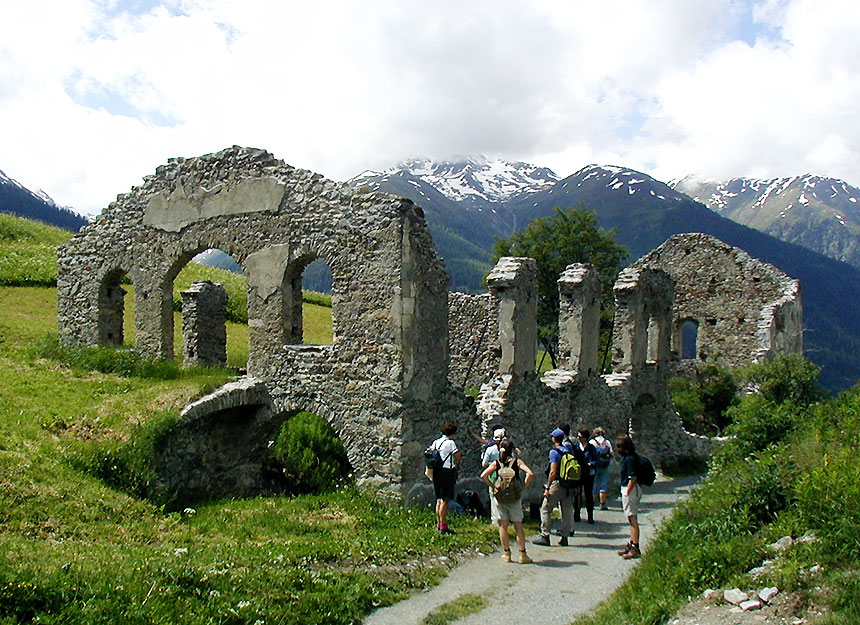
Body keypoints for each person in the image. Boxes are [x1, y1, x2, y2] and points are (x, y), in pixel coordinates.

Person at [481, 439, 534, 564]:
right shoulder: (517, 462)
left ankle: (507, 554)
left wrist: (494, 486)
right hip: (514, 497)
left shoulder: (497, 463)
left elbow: (483, 475)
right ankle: (522, 554)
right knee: (518, 525)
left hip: (500, 497)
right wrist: (523, 487)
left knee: (503, 526)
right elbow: (530, 474)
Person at [532, 428, 575, 546]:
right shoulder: (568, 450)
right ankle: (565, 537)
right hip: (568, 483)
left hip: (557, 484)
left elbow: (553, 471)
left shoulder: (554, 452)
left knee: (545, 508)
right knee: (566, 511)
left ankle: (545, 535)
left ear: (554, 438)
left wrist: (547, 488)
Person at [429, 422, 462, 534]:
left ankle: (439, 523)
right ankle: (444, 526)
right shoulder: (450, 443)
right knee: (445, 500)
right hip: (447, 472)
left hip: (436, 471)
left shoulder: (436, 442)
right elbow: (457, 457)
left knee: (439, 499)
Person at [616, 434, 642, 559]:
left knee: (633, 520)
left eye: (619, 446)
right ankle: (632, 543)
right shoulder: (629, 457)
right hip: (629, 489)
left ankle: (635, 547)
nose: (617, 449)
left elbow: (633, 477)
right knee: (630, 519)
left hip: (630, 489)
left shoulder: (630, 459)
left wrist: (627, 492)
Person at [572, 428, 597, 523]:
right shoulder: (576, 447)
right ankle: (576, 514)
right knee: (576, 494)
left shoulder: (591, 448)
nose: (578, 438)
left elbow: (596, 460)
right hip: (578, 473)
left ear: (585, 438)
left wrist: (590, 464)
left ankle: (590, 516)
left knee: (588, 495)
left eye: (580, 437)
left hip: (588, 474)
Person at [590, 427, 613, 510]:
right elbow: (611, 453)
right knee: (603, 484)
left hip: (595, 465)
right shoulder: (607, 442)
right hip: (605, 465)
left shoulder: (592, 442)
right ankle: (602, 503)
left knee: (594, 484)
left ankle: (591, 503)